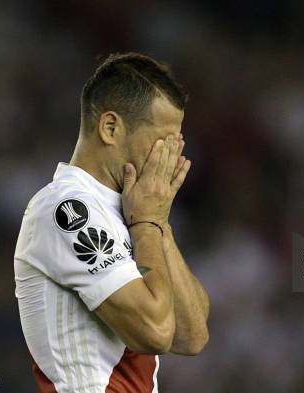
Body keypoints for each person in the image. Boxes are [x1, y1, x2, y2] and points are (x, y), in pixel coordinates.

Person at [14, 52, 210, 393]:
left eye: (178, 143)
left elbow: (192, 335)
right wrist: (148, 223)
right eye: (164, 141)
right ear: (110, 128)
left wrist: (156, 222)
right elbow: (156, 331)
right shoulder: (66, 209)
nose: (173, 156)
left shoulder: (133, 211)